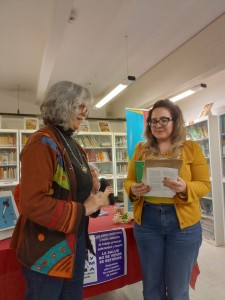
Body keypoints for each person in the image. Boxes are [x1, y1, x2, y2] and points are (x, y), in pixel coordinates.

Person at [10, 81, 112, 300]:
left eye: (87, 107)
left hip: (75, 244)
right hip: (47, 250)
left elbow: (76, 196)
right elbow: (33, 203)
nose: (86, 112)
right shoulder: (42, 143)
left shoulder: (74, 145)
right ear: (62, 105)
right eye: (80, 106)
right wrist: (84, 208)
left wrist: (94, 193)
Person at [124, 99, 211, 300]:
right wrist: (134, 189)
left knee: (177, 289)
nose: (158, 125)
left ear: (175, 121)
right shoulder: (141, 149)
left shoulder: (191, 149)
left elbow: (204, 184)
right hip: (147, 222)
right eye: (153, 121)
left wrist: (185, 187)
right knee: (151, 287)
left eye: (164, 119)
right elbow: (128, 181)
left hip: (183, 225)